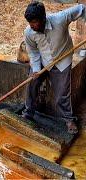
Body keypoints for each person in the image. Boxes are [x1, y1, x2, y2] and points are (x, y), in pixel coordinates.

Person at [22, 1, 86, 134]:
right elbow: (33, 52)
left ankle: (69, 119)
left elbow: (81, 8)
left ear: (43, 18)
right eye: (30, 22)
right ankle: (29, 112)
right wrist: (35, 70)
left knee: (62, 93)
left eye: (34, 22)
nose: (32, 26)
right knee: (32, 84)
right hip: (43, 59)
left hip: (62, 59)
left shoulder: (60, 19)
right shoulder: (29, 32)